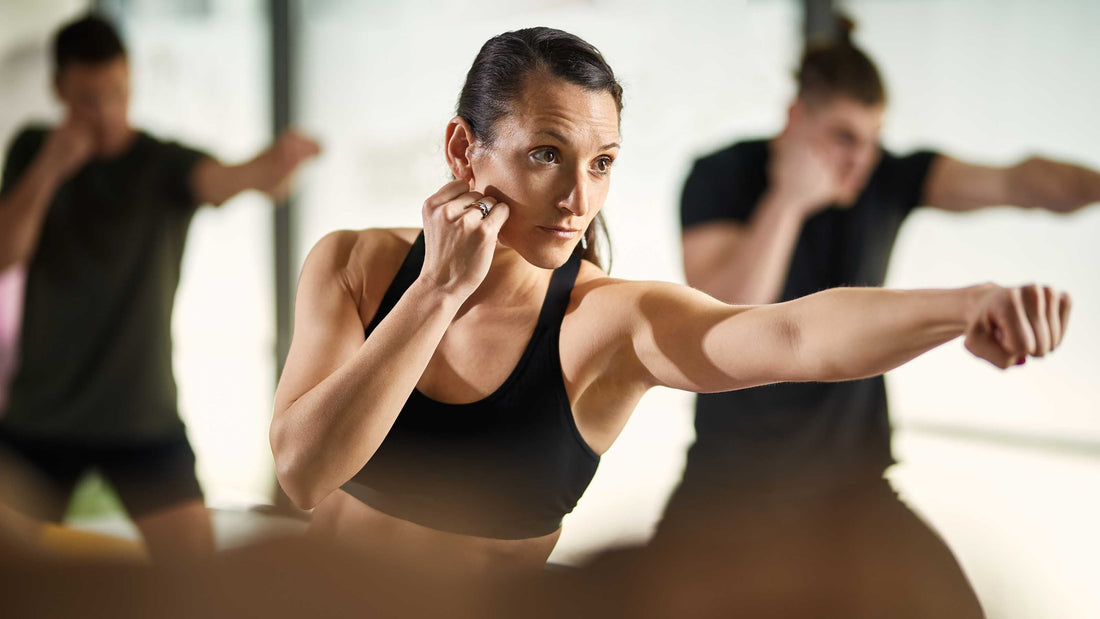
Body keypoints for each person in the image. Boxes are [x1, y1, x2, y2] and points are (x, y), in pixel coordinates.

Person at [270, 27, 1069, 582]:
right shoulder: (355, 266)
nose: (577, 197)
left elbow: (794, 334)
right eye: (547, 154)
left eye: (603, 162)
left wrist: (968, 303)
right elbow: (304, 471)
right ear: (462, 149)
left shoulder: (610, 324)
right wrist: (437, 291)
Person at [666, 13, 1098, 613]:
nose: (861, 161)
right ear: (795, 118)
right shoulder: (721, 175)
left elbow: (1021, 182)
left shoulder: (887, 176)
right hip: (730, 485)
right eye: (843, 137)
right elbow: (730, 310)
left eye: (872, 140)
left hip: (855, 484)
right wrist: (789, 199)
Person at [0, 14, 320, 562]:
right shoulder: (33, 150)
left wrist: (273, 167)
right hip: (41, 416)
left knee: (194, 572)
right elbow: (7, 253)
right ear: (59, 91)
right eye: (87, 99)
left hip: (140, 418)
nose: (104, 113)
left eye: (116, 94)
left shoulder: (159, 163)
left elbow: (225, 179)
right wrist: (52, 167)